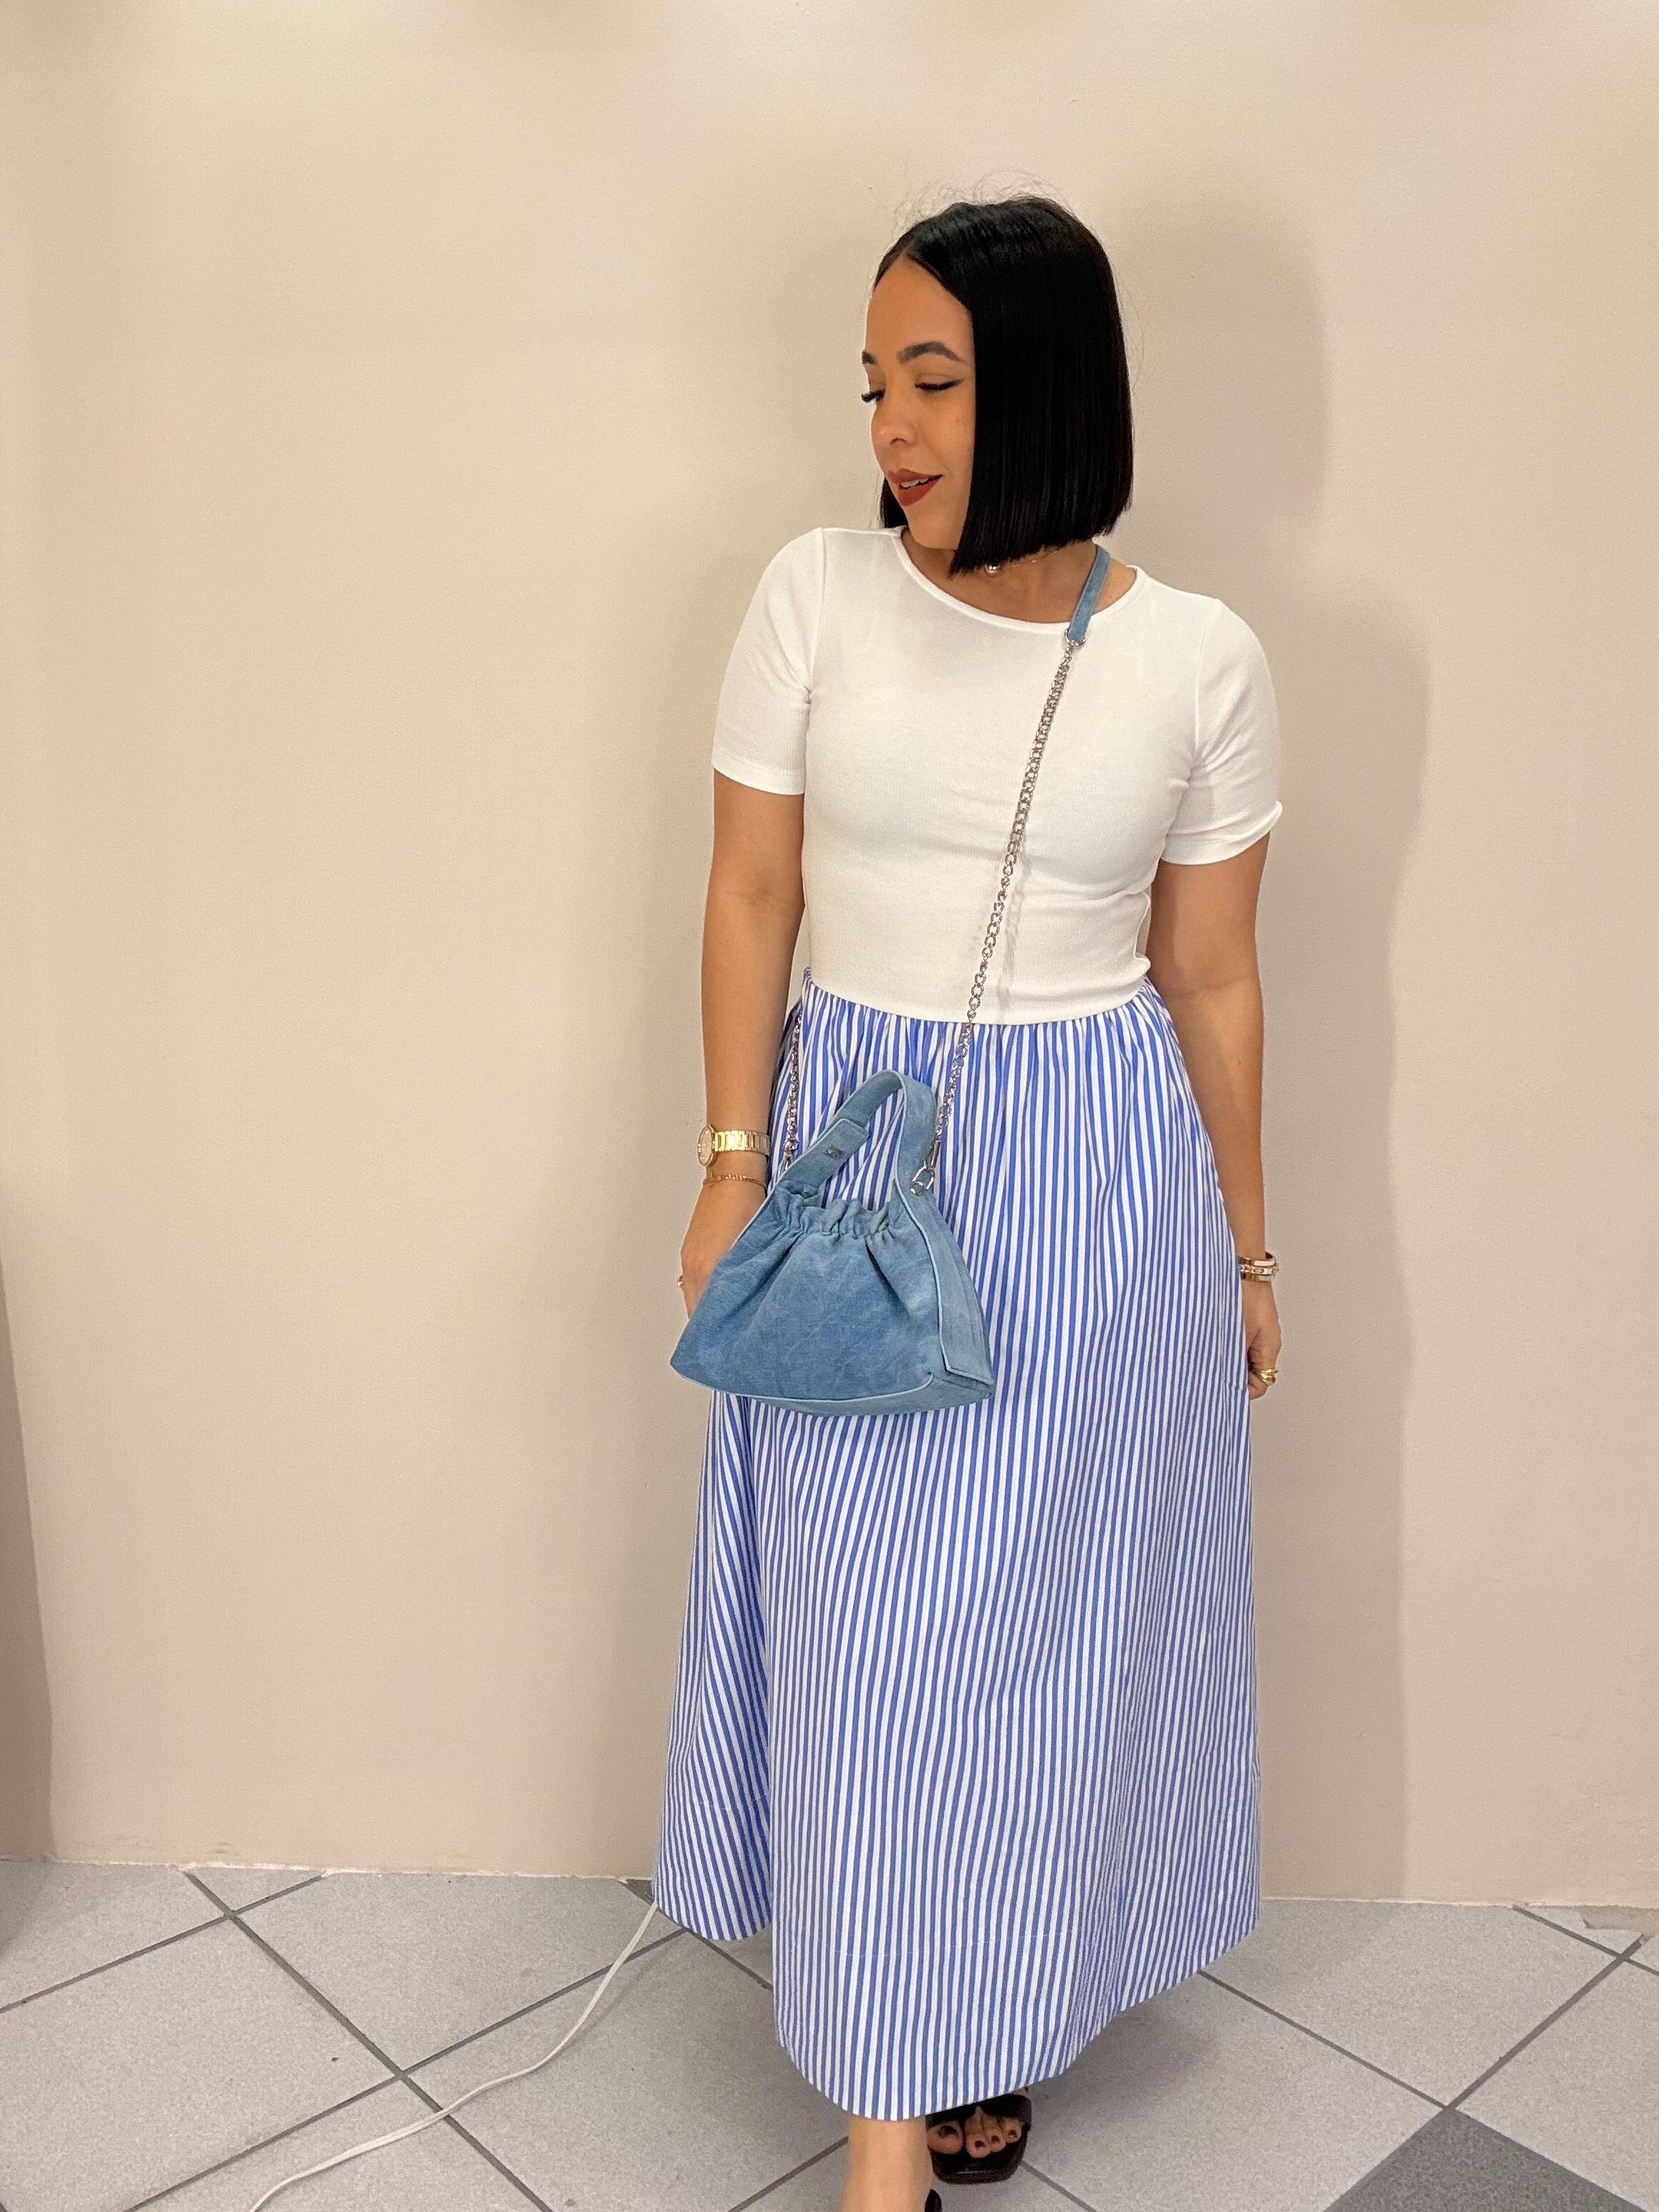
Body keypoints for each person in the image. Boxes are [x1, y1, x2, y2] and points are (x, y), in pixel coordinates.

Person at [655, 194, 1284, 2212]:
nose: (892, 429)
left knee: (1041, 1648)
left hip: (1100, 1185)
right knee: (873, 1644)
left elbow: (1210, 978)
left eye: (932, 380)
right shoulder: (815, 594)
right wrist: (728, 1162)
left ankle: (977, 2025)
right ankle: (885, 2137)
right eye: (875, 385)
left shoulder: (1197, 657)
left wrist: (1246, 1247)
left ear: (1052, 389)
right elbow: (752, 890)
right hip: (862, 1169)